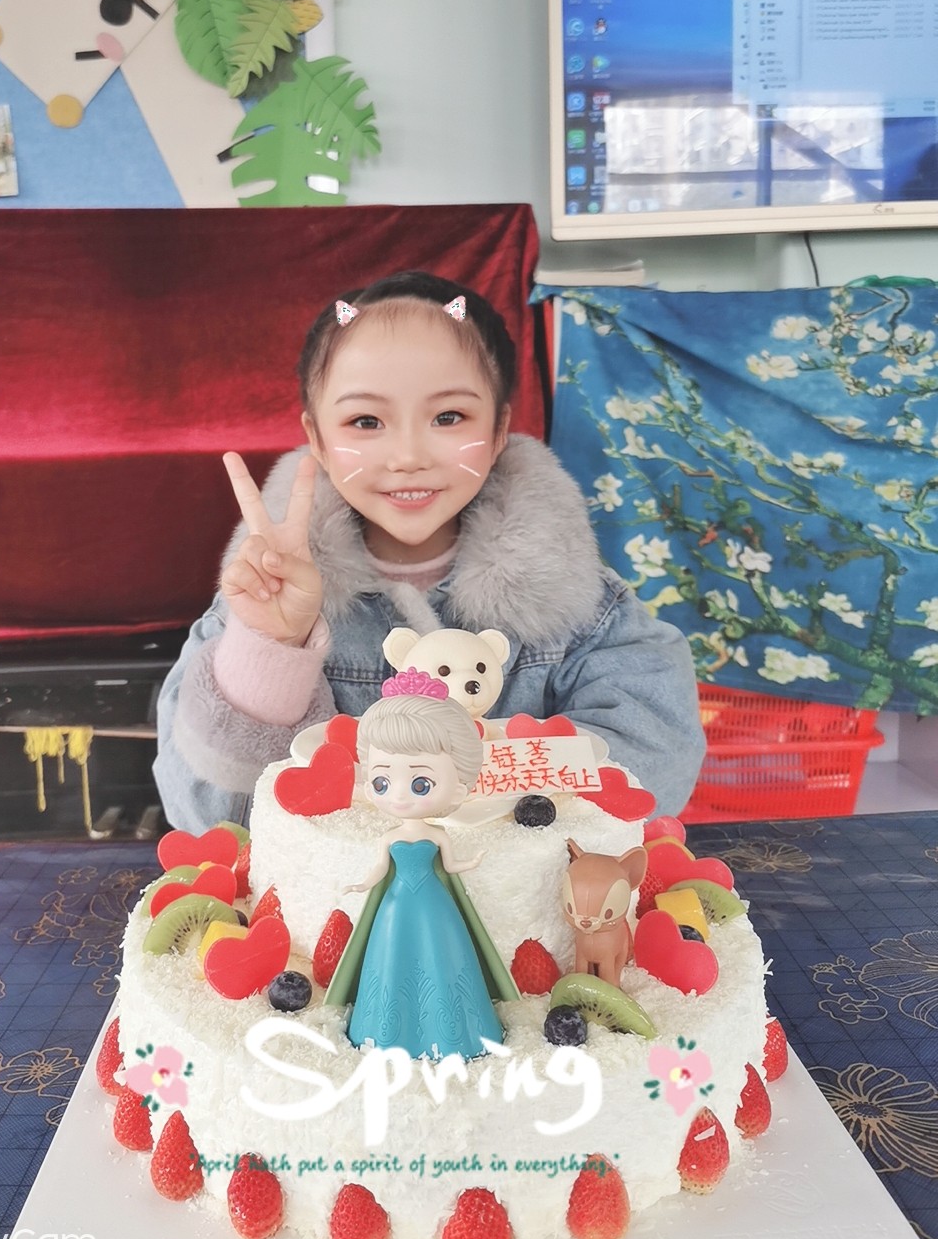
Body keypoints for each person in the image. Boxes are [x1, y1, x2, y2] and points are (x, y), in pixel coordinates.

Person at [155, 270, 705, 834]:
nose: (408, 456)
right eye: (366, 421)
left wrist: (442, 793)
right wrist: (272, 649)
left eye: (448, 417)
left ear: (498, 430)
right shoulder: (258, 605)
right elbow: (208, 820)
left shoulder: (585, 606)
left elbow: (653, 766)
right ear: (317, 438)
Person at [324, 691, 517, 1059]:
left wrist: (472, 862)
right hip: (395, 905)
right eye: (382, 783)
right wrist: (361, 884)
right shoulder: (389, 837)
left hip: (433, 905)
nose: (399, 797)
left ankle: (452, 1033)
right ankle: (385, 1030)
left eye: (420, 785)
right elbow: (380, 869)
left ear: (458, 788)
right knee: (391, 956)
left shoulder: (438, 834)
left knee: (440, 954)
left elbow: (451, 866)